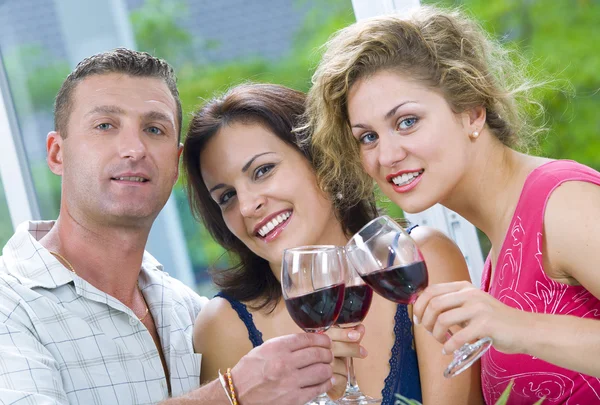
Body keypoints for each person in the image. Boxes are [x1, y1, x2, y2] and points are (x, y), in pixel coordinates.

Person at [0, 48, 336, 405]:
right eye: (104, 125)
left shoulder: (187, 309)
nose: (134, 148)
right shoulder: (11, 305)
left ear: (174, 165)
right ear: (57, 154)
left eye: (154, 128)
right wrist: (231, 394)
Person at [305, 5, 600, 404]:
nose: (387, 154)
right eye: (367, 137)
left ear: (472, 111)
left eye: (407, 121)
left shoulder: (562, 202)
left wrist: (516, 326)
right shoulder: (499, 252)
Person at [183, 83, 482, 404]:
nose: (246, 206)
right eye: (226, 196)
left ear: (321, 159)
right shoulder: (222, 327)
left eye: (263, 170)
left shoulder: (420, 258)